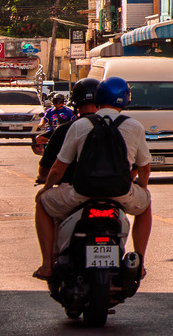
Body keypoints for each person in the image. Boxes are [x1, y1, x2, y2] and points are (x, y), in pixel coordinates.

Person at [32, 77, 150, 283]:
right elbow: (144, 166)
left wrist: (47, 188)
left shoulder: (79, 126)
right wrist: (141, 188)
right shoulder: (134, 126)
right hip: (121, 193)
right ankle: (139, 262)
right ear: (126, 99)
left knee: (41, 203)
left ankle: (48, 266)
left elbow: (59, 166)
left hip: (81, 192)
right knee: (145, 204)